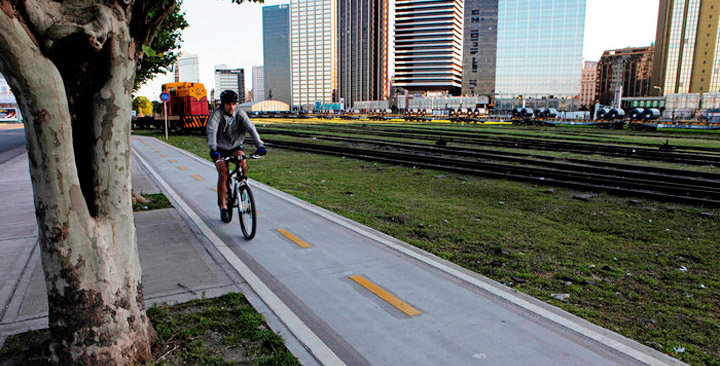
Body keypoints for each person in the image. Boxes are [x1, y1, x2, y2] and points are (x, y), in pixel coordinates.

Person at [207, 90, 266, 223]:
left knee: (243, 162)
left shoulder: (240, 114)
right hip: (220, 149)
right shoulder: (217, 114)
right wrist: (213, 150)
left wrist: (260, 146)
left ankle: (241, 187)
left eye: (234, 104)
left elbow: (251, 128)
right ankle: (223, 206)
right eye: (228, 104)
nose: (231, 107)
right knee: (223, 173)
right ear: (223, 104)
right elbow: (211, 130)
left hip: (235, 146)